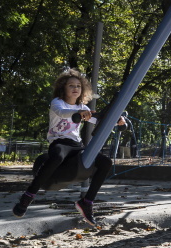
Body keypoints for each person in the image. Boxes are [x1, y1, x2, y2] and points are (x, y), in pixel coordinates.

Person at [12, 68, 121, 227]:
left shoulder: (83, 107)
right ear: (63, 88)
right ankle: (28, 195)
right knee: (57, 156)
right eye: (71, 85)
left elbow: (97, 120)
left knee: (105, 162)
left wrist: (117, 121)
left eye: (78, 86)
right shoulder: (57, 102)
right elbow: (62, 112)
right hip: (60, 142)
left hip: (76, 146)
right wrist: (79, 112)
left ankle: (87, 202)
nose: (75, 88)